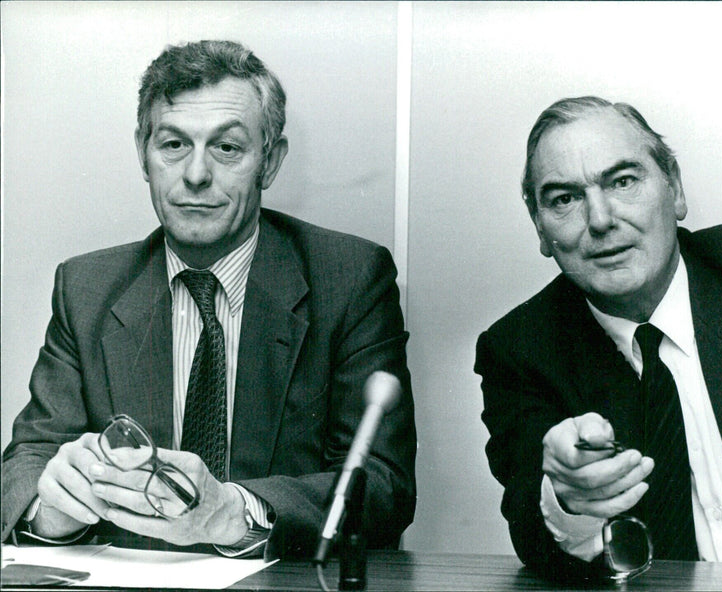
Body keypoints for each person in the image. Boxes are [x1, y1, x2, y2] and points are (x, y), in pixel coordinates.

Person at [1, 40, 416, 560]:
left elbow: (382, 483)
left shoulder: (349, 278)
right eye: (174, 145)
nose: (196, 175)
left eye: (227, 148)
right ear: (142, 155)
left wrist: (235, 512)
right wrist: (54, 506)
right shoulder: (86, 287)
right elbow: (25, 464)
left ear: (270, 161)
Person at [475, 96, 722, 580]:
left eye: (623, 181)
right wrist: (567, 496)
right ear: (539, 226)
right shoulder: (521, 349)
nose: (601, 219)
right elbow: (536, 534)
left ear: (675, 188)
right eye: (564, 199)